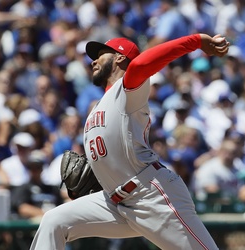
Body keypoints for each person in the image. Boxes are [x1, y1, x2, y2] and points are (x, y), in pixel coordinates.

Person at [31, 33, 229, 249]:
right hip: (113, 202)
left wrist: (197, 41)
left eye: (101, 54)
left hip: (151, 195)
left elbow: (141, 64)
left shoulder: (127, 90)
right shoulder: (98, 107)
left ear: (119, 57)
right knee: (54, 221)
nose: (93, 61)